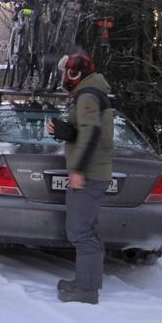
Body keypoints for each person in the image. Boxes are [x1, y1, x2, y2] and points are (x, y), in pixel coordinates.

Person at [48, 52, 113, 304]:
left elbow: (92, 133)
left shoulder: (87, 95)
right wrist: (66, 131)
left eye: (70, 72)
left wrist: (78, 171)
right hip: (96, 171)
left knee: (80, 232)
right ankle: (89, 282)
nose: (67, 77)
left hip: (89, 174)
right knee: (88, 229)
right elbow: (86, 131)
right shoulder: (92, 92)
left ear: (79, 73)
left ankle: (85, 290)